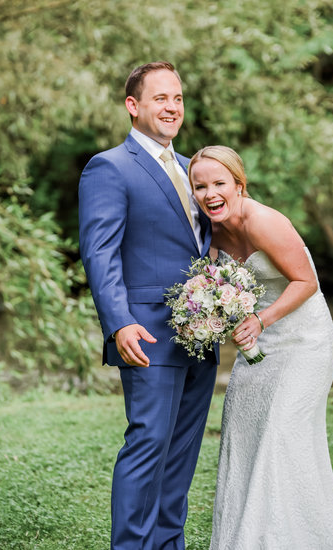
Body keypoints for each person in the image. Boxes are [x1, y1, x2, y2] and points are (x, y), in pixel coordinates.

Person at [188, 145, 333, 549]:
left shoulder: (264, 221)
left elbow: (307, 282)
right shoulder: (210, 231)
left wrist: (260, 319)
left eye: (219, 183)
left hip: (304, 341)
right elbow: (224, 288)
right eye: (200, 186)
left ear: (239, 184)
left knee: (282, 433)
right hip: (260, 345)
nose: (210, 193)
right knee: (243, 429)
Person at [79, 62, 218, 550]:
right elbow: (100, 252)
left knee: (180, 454)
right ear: (133, 106)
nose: (172, 107)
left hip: (200, 335)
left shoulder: (191, 171)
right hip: (146, 335)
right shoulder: (109, 167)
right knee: (148, 446)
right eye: (160, 98)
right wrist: (120, 323)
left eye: (177, 98)